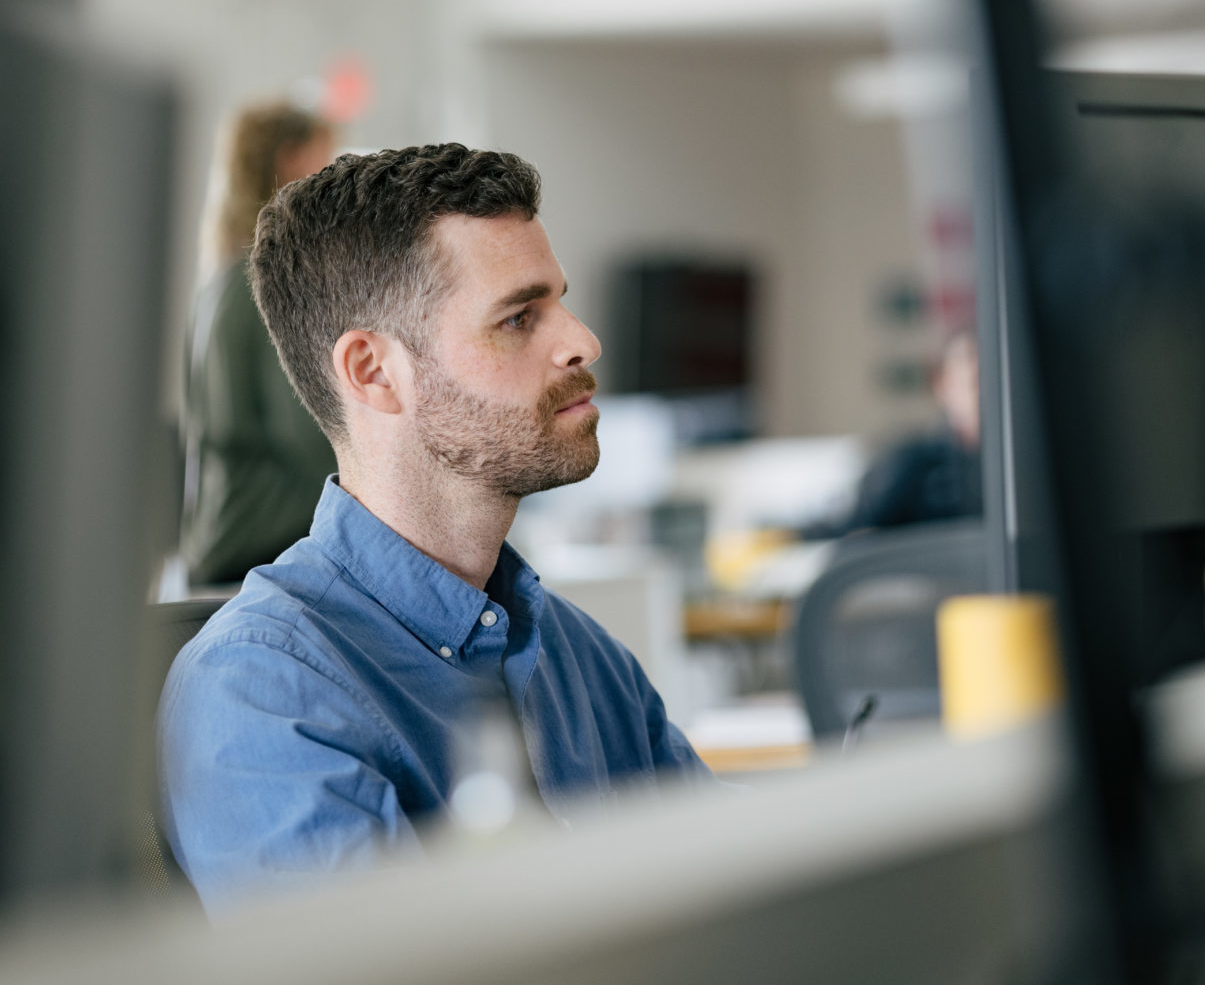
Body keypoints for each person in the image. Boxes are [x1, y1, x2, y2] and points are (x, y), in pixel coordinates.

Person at [158, 144, 714, 915]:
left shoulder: (584, 660)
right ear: (374, 373)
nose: (582, 340)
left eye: (560, 302)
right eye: (520, 317)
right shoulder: (262, 696)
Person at [179, 100, 340, 586]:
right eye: (326, 159)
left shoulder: (221, 279)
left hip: (220, 537)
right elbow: (305, 424)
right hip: (259, 549)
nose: (334, 177)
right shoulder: (267, 284)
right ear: (290, 160)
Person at [809, 330, 984, 538]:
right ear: (942, 384)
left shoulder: (1018, 463)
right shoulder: (908, 467)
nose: (984, 394)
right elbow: (853, 536)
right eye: (974, 382)